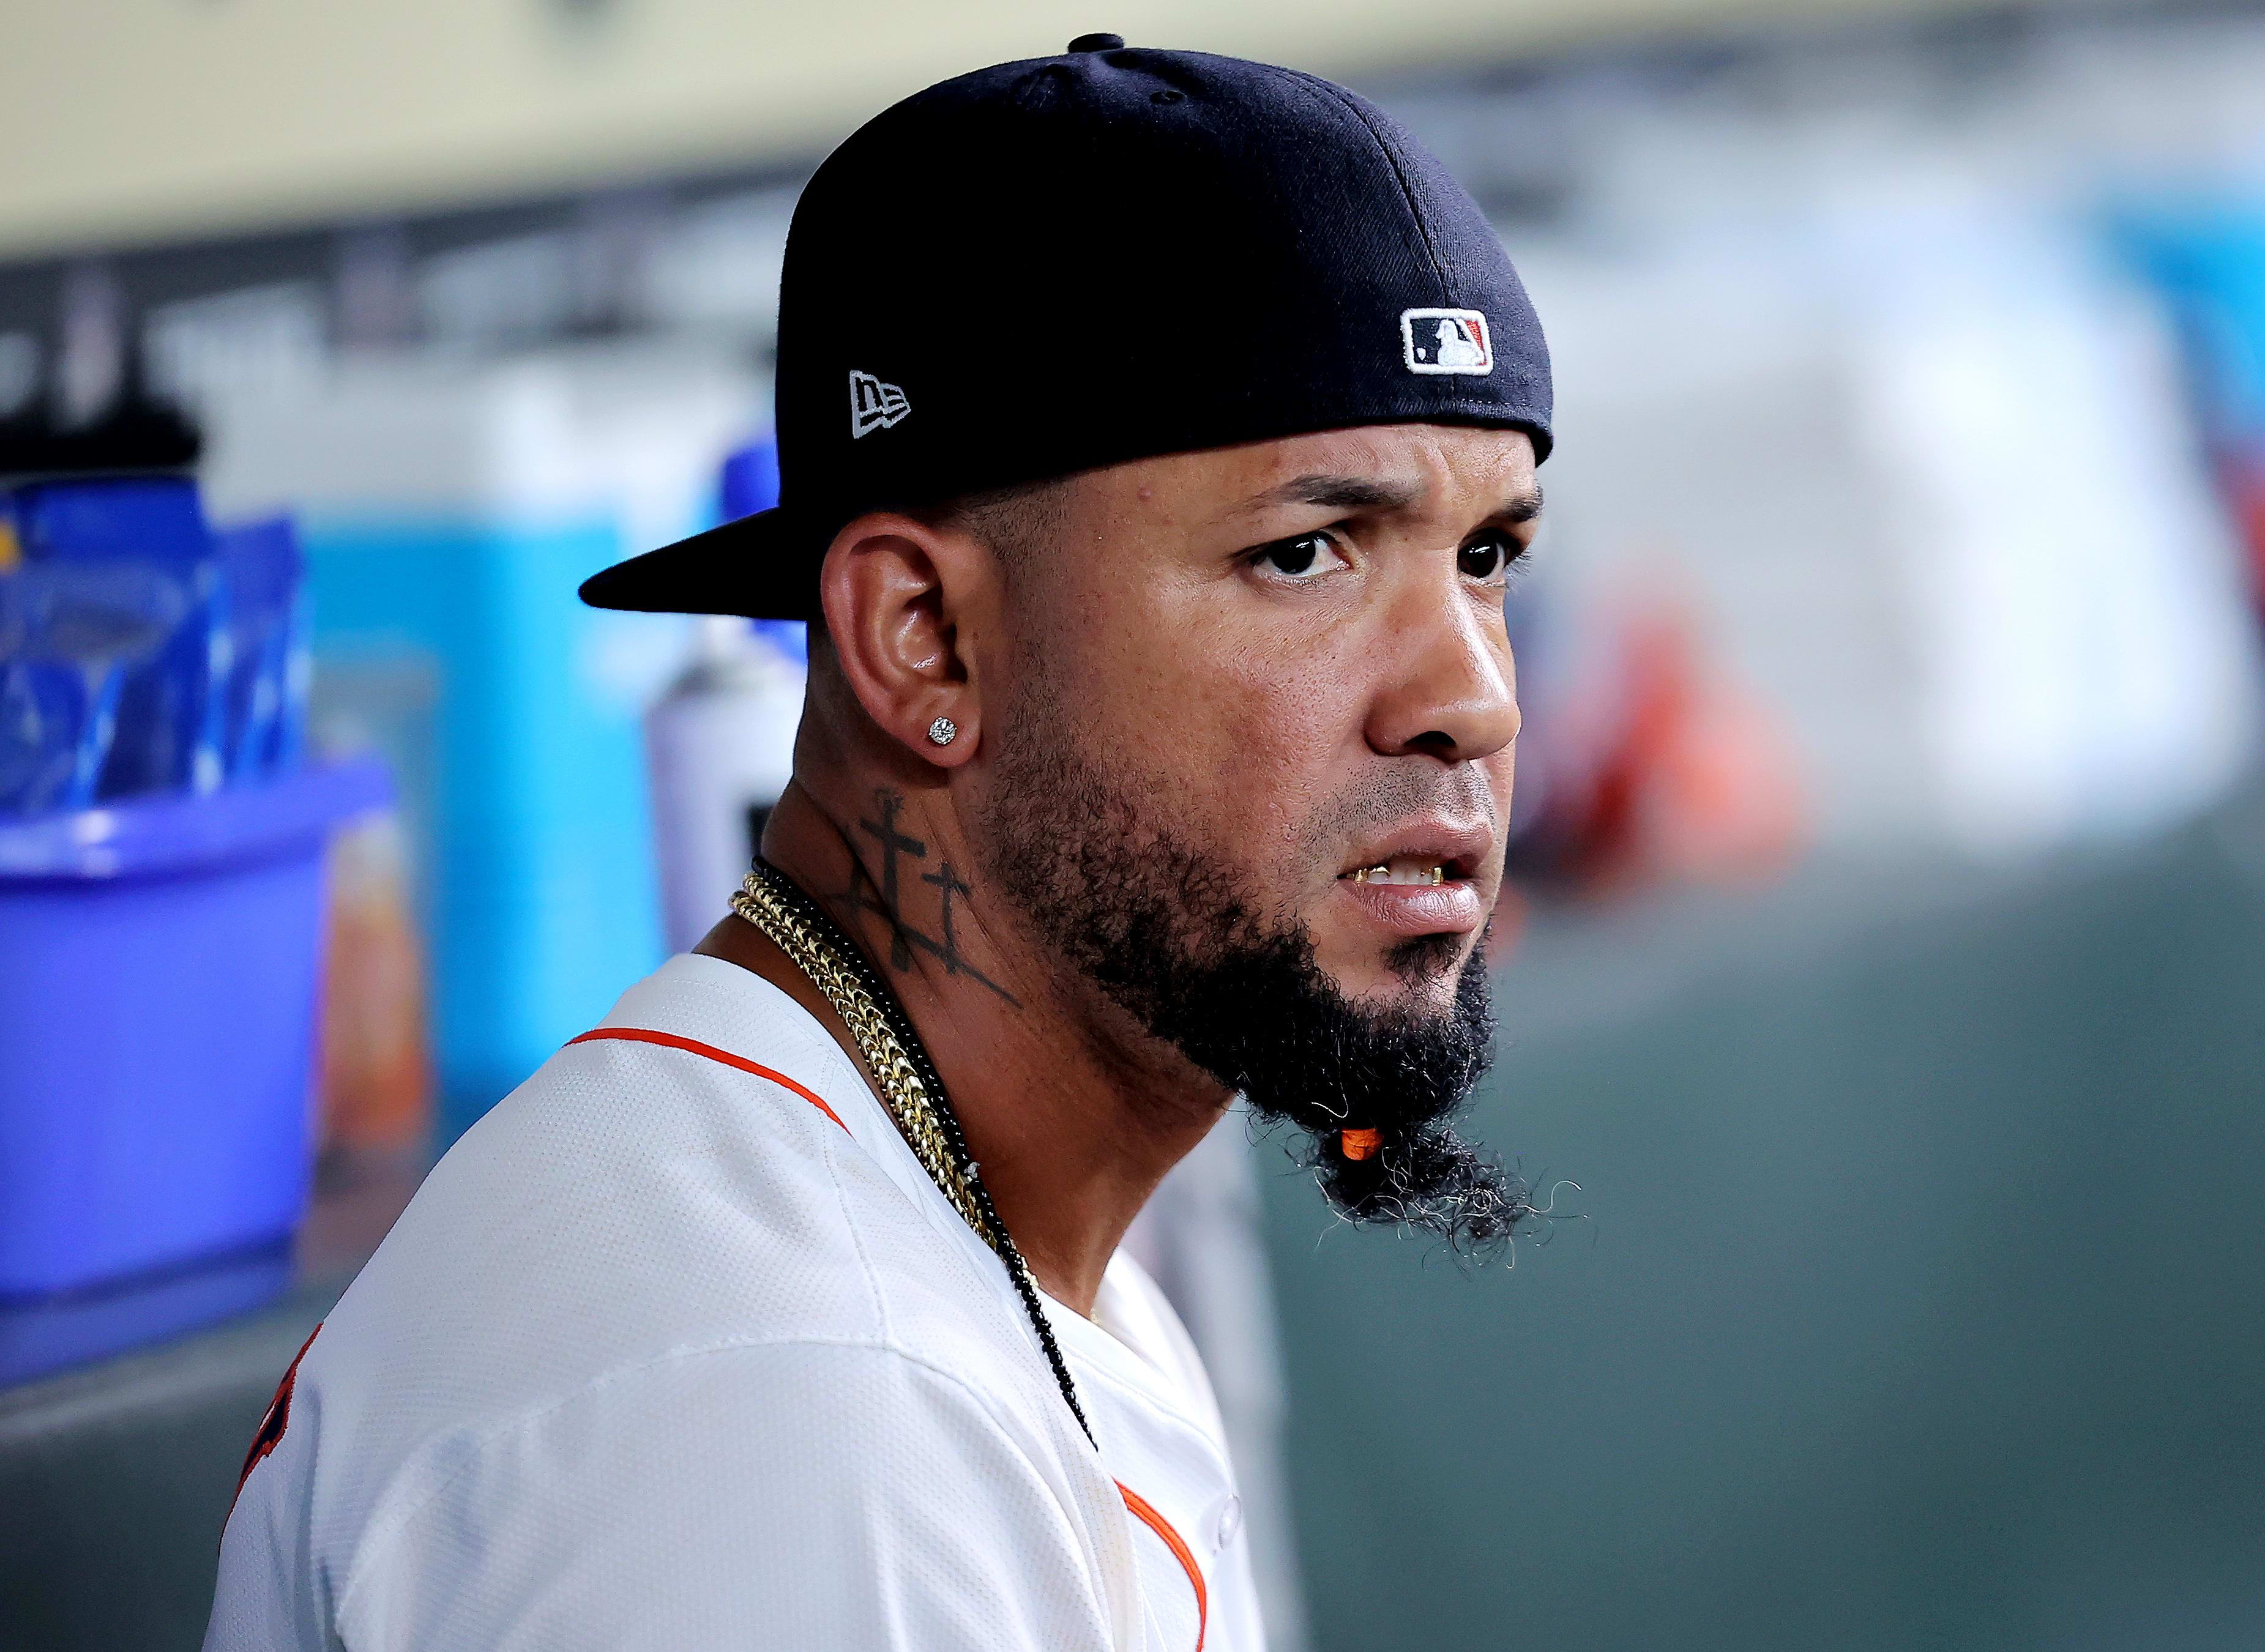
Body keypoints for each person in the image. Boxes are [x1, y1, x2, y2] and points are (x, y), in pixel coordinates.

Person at [204, 35, 1550, 1652]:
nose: (1468, 697)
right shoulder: (788, 1399)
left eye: (1484, 553)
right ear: (920, 637)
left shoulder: (958, 1235)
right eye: (1304, 553)